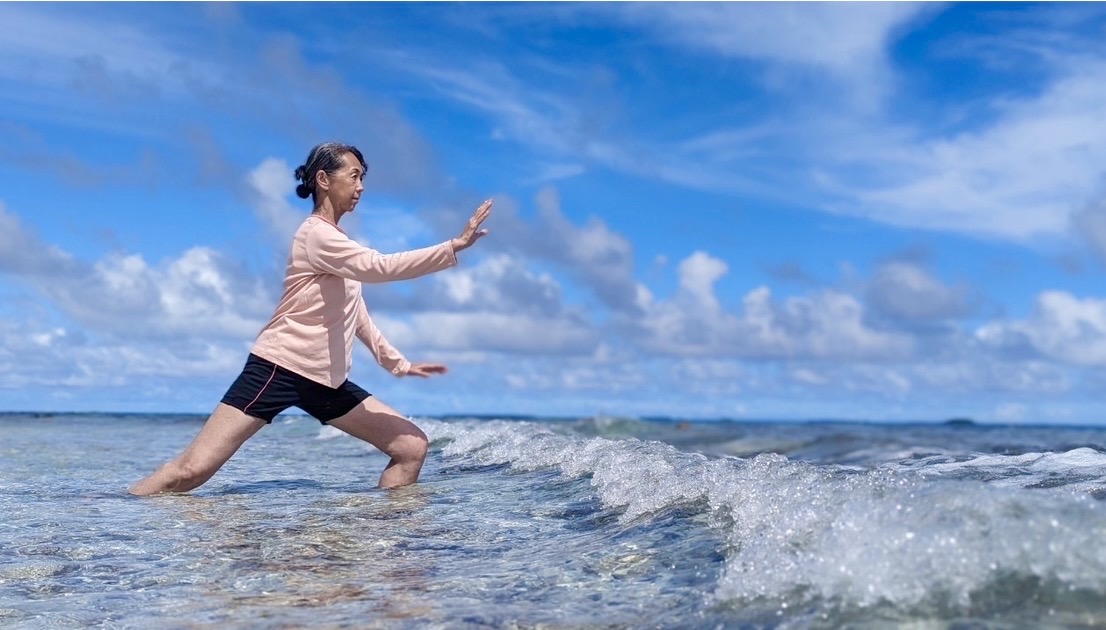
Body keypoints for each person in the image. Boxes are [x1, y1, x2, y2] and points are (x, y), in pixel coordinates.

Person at [129, 141, 491, 496]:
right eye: (354, 176)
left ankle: (383, 531)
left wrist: (398, 363)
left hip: (324, 381)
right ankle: (121, 508)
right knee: (192, 471)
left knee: (410, 447)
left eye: (363, 178)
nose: (361, 187)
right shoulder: (315, 235)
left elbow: (355, 314)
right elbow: (379, 266)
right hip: (280, 368)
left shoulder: (339, 242)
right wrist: (452, 247)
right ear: (323, 179)